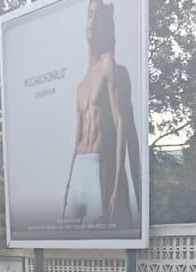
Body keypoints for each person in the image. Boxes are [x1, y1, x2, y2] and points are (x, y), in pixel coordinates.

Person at [61, 0, 142, 230]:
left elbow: (122, 127)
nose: (92, 21)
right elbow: (76, 138)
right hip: (79, 168)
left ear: (106, 24)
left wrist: (117, 184)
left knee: (102, 233)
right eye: (89, 14)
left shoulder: (111, 67)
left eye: (98, 16)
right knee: (68, 236)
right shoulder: (81, 84)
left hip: (99, 166)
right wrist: (68, 185)